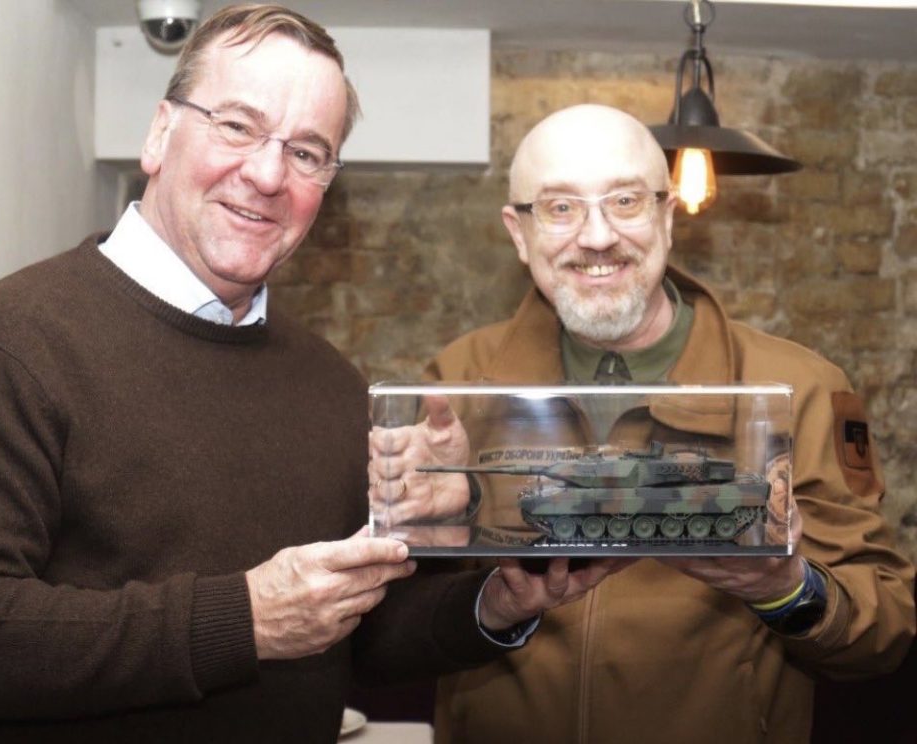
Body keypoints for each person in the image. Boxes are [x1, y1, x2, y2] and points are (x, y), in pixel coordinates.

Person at [0, 7, 606, 742]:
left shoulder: (331, 385)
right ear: (159, 134)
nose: (267, 175)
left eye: (307, 153)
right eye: (236, 126)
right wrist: (245, 620)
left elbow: (357, 636)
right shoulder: (3, 343)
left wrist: (495, 603)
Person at [376, 104, 915, 743]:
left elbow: (883, 630)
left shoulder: (801, 388)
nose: (597, 236)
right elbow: (391, 630)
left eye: (625, 201)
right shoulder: (460, 383)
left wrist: (784, 588)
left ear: (667, 215)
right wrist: (433, 528)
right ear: (519, 233)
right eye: (560, 207)